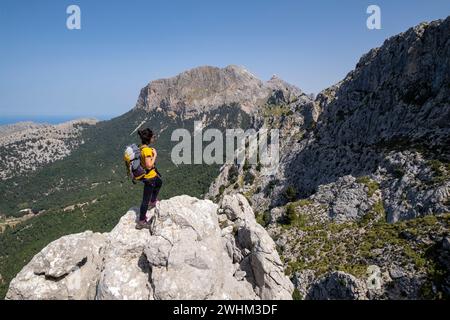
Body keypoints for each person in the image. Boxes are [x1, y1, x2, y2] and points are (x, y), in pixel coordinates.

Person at [136, 128, 163, 230]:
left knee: (159, 182)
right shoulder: (147, 150)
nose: (154, 138)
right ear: (149, 139)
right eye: (153, 137)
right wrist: (155, 155)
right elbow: (148, 165)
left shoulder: (142, 147)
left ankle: (153, 201)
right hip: (149, 178)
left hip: (152, 176)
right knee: (145, 200)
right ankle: (141, 221)